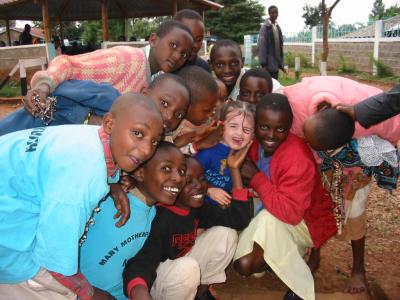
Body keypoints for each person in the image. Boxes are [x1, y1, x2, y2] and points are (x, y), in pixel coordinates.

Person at [0, 93, 164, 299]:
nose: (147, 149)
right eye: (138, 134)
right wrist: (92, 293)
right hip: (8, 241)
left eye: (155, 141)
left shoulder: (90, 136)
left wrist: (113, 183)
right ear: (110, 123)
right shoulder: (83, 176)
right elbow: (55, 260)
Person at [233, 94, 337, 300]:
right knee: (244, 267)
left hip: (304, 221)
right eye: (264, 127)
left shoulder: (297, 158)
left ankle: (301, 284)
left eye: (280, 129)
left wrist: (256, 177)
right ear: (256, 125)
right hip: (274, 211)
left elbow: (290, 213)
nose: (271, 135)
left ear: (288, 127)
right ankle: (283, 254)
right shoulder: (254, 144)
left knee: (247, 259)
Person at [122, 154, 252, 300]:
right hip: (157, 282)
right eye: (188, 181)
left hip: (183, 268)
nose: (199, 186)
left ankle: (200, 294)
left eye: (202, 179)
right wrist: (139, 292)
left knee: (226, 234)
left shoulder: (194, 207)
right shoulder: (159, 218)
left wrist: (234, 170)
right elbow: (143, 262)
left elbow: (238, 219)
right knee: (187, 268)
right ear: (174, 185)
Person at [303, 108, 399, 294]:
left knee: (355, 217)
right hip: (326, 174)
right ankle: (315, 255)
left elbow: (389, 159)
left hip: (356, 178)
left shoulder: (366, 146)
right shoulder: (315, 131)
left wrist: (358, 177)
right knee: (319, 213)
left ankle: (358, 269)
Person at [80, 141, 187, 299]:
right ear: (140, 173)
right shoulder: (107, 203)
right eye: (166, 168)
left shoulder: (153, 214)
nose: (178, 178)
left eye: (182, 171)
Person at [24, 20, 194, 112]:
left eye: (184, 54)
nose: (178, 55)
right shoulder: (126, 59)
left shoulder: (157, 79)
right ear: (154, 40)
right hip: (56, 117)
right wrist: (43, 87)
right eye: (173, 45)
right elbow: (67, 63)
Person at [0, 73, 190, 138]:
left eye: (178, 115)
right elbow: (59, 89)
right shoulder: (108, 98)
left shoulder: (141, 143)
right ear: (144, 94)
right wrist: (87, 120)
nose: (168, 116)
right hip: (13, 133)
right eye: (164, 103)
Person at [196, 100, 255, 206]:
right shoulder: (208, 151)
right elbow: (189, 178)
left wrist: (248, 190)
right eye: (233, 126)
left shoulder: (246, 153)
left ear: (253, 134)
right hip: (200, 206)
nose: (239, 133)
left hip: (223, 210)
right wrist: (208, 190)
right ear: (221, 124)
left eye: (246, 129)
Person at [171, 66, 219, 153]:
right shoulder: (168, 124)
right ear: (187, 105)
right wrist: (198, 145)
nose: (210, 114)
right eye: (207, 110)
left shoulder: (187, 123)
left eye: (213, 109)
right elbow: (163, 154)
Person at [257, 5, 284, 80]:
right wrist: (263, 64)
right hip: (268, 64)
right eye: (273, 13)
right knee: (269, 84)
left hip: (276, 63)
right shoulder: (265, 27)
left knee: (275, 83)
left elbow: (280, 45)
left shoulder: (277, 27)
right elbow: (262, 46)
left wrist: (281, 63)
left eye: (276, 12)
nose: (275, 14)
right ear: (269, 14)